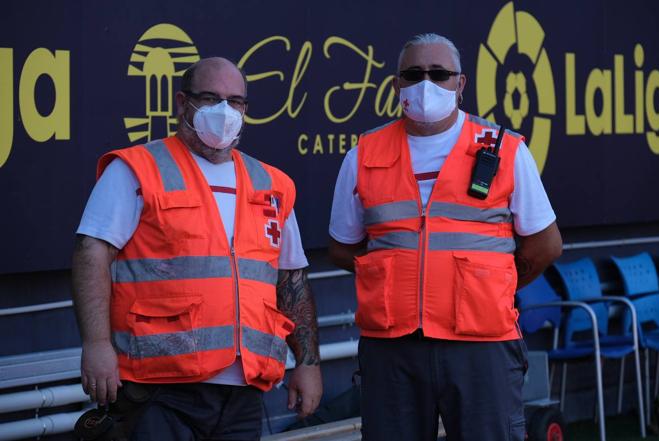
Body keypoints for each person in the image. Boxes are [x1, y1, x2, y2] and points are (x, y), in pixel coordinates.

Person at [72, 57, 322, 441]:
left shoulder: (271, 183)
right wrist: (96, 345)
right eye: (210, 98)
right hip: (159, 388)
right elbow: (91, 253)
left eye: (235, 101)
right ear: (181, 103)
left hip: (243, 392)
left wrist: (307, 363)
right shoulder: (137, 168)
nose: (225, 111)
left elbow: (291, 279)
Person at [329, 34, 562, 441]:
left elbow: (545, 245)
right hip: (393, 347)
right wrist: (394, 277)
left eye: (439, 74)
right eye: (413, 74)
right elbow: (341, 246)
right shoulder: (363, 154)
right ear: (396, 84)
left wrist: (491, 285)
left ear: (461, 84)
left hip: (481, 344)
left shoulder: (505, 150)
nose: (426, 84)